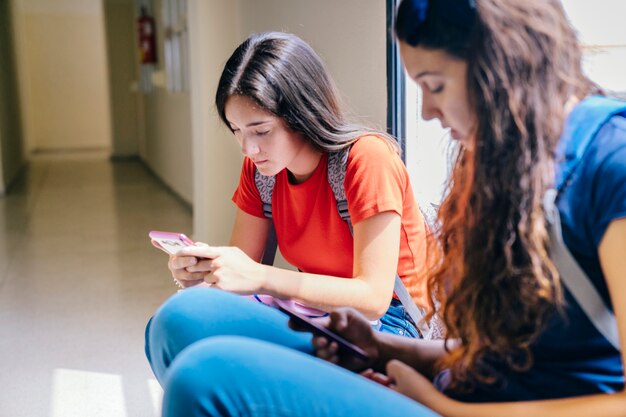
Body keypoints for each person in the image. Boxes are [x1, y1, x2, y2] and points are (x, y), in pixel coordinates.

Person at [153, 0, 626, 416]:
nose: (424, 111)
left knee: (204, 377)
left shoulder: (609, 163)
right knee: (182, 320)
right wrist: (389, 351)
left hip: (456, 401)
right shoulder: (510, 163)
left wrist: (439, 403)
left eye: (435, 85)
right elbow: (515, 353)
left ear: (503, 67)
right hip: (446, 380)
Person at [145, 31, 435, 386]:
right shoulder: (262, 172)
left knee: (185, 328)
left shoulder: (367, 159)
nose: (247, 148)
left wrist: (263, 278)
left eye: (261, 130)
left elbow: (373, 299)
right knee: (172, 324)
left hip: (387, 329)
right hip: (311, 315)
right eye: (236, 130)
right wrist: (202, 271)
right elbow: (241, 274)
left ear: (302, 113)